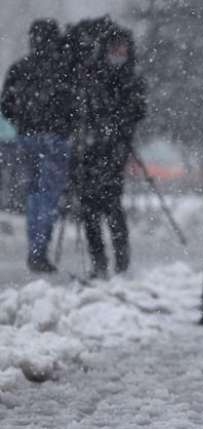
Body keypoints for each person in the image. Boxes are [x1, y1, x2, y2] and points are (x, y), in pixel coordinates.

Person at [1, 19, 74, 273]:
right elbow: (74, 107)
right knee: (48, 195)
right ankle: (39, 250)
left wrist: (23, 120)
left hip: (26, 138)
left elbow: (6, 106)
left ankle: (36, 247)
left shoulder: (19, 69)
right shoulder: (63, 69)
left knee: (34, 194)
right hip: (54, 138)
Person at [73, 24, 146, 278]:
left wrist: (118, 127)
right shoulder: (94, 75)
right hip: (92, 148)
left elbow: (138, 111)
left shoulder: (131, 78)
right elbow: (83, 110)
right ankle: (99, 261)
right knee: (89, 207)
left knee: (111, 204)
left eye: (121, 47)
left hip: (116, 148)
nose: (118, 52)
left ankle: (121, 260)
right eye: (114, 47)